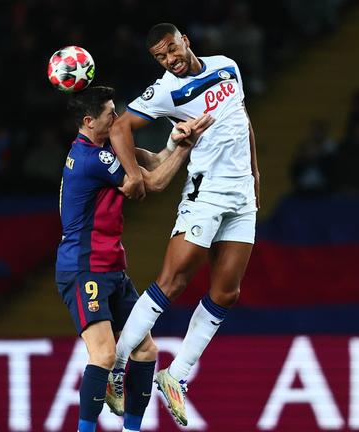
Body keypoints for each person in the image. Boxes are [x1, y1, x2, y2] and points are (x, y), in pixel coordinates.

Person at [108, 23, 260, 426]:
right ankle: (114, 366)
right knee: (173, 281)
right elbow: (119, 127)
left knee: (227, 292)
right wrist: (134, 174)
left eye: (172, 49)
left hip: (243, 195)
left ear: (185, 41)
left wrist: (256, 179)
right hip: (206, 194)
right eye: (161, 57)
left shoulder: (227, 66)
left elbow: (243, 122)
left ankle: (176, 376)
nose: (170, 59)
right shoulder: (164, 91)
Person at [55, 85, 213, 432]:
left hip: (112, 265)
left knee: (145, 351)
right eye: (111, 114)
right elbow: (153, 183)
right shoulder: (90, 159)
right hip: (85, 268)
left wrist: (173, 143)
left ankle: (131, 430)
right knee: (105, 354)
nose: (118, 119)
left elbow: (153, 160)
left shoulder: (108, 149)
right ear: (88, 121)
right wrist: (186, 150)